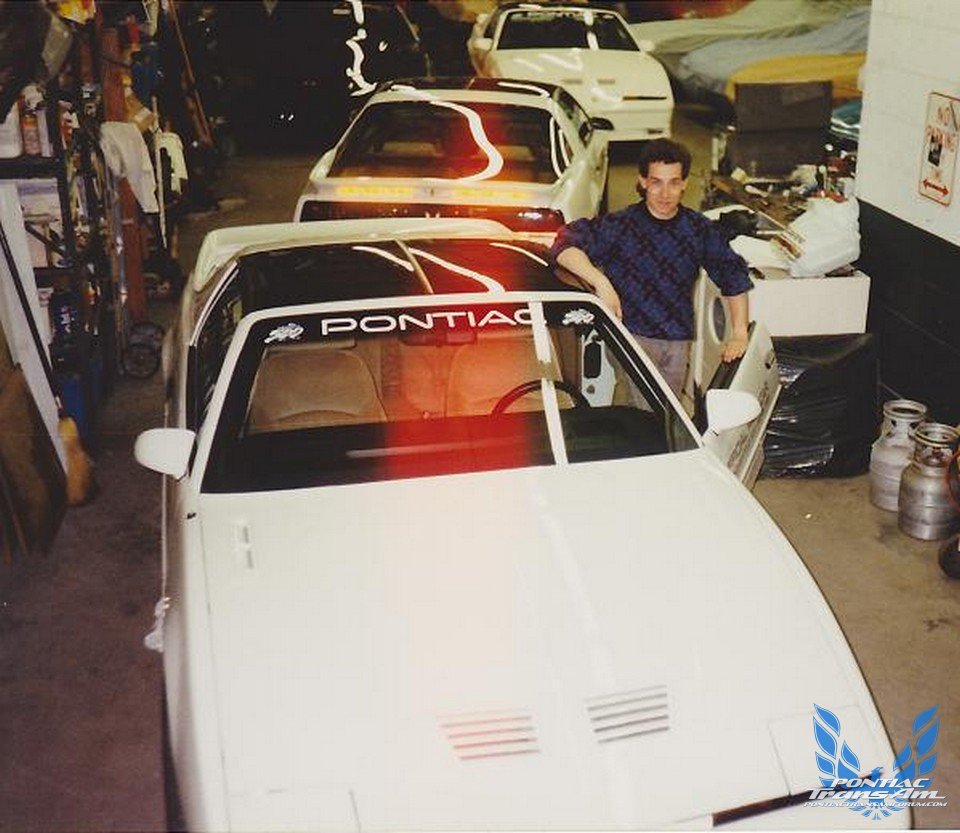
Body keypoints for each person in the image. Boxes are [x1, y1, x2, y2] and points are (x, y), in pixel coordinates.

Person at [551, 138, 752, 397]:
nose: (665, 194)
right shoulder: (620, 226)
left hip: (677, 341)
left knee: (667, 410)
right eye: (656, 182)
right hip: (631, 337)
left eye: (674, 183)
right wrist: (602, 283)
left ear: (684, 184)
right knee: (648, 410)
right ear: (643, 181)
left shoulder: (698, 229)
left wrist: (739, 332)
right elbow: (563, 245)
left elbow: (733, 273)